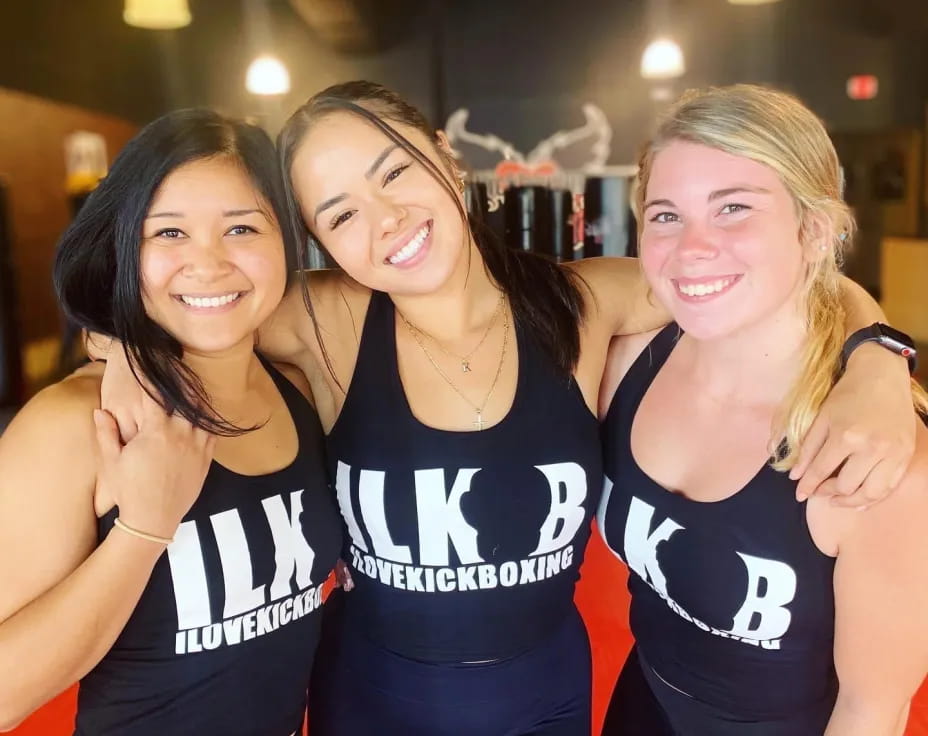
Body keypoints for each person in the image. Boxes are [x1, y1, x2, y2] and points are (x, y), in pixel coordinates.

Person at [99, 82, 916, 736]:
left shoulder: (582, 303)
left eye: (395, 173)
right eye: (340, 213)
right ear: (318, 241)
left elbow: (761, 275)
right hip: (372, 700)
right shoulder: (322, 320)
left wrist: (879, 355)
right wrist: (118, 350)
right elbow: (182, 305)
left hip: (548, 698)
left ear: (447, 161)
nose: (384, 221)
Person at [597, 84, 928, 736]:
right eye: (665, 215)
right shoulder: (622, 361)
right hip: (639, 706)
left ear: (814, 229)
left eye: (733, 209)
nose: (692, 247)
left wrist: (880, 357)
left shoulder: (879, 464)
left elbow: (872, 710)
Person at [0, 109, 340, 735]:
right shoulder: (76, 425)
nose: (207, 264)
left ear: (287, 242)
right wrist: (144, 530)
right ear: (125, 248)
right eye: (169, 234)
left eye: (241, 228)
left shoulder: (300, 391)